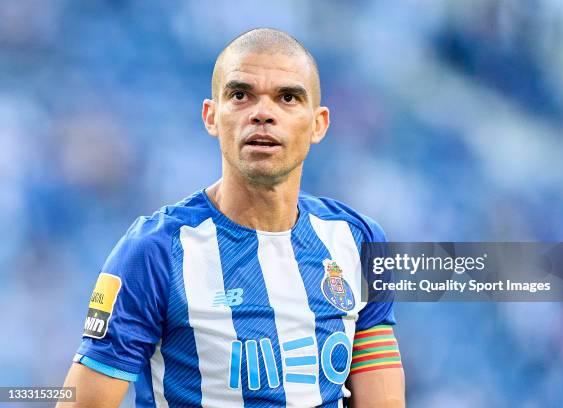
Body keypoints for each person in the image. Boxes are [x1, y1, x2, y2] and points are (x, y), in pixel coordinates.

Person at [59, 28, 405, 408]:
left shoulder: (358, 240)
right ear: (211, 116)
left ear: (318, 124)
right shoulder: (153, 253)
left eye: (287, 97)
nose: (263, 113)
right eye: (240, 95)